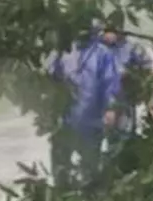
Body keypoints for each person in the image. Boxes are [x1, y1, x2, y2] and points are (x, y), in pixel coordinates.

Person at [46, 19, 122, 188]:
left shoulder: (103, 53)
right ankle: (61, 196)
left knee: (91, 168)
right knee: (60, 166)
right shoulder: (63, 51)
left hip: (91, 120)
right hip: (65, 120)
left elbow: (110, 82)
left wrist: (110, 108)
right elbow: (50, 78)